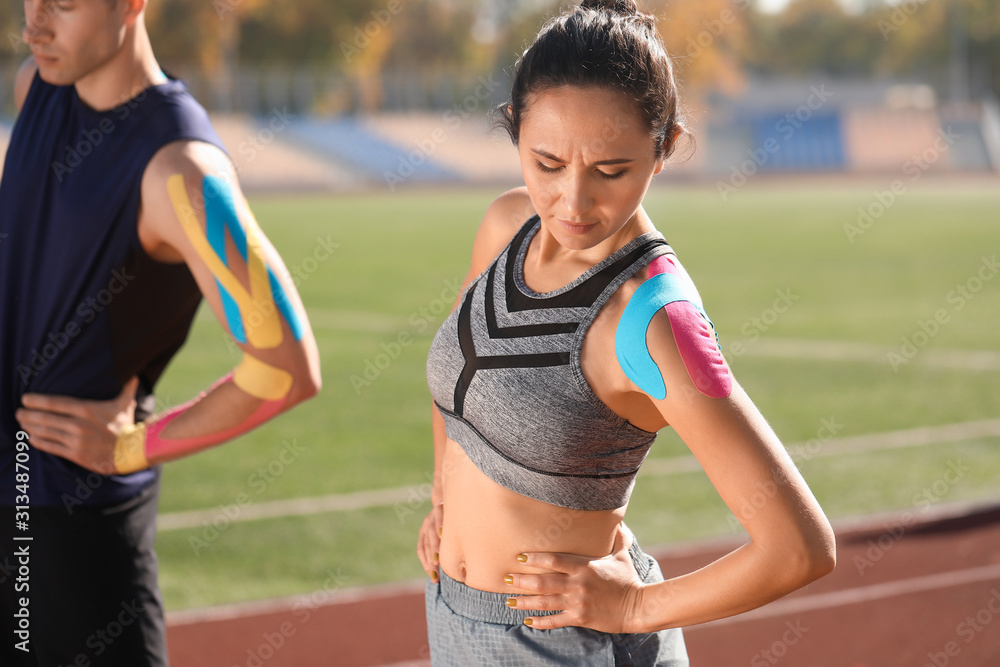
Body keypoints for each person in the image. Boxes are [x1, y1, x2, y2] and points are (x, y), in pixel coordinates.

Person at [419, 0, 836, 664]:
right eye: (547, 163)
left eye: (611, 171)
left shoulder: (655, 319)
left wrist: (635, 605)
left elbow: (800, 546)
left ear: (665, 147)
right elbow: (461, 371)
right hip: (454, 617)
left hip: (567, 644)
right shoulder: (505, 228)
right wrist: (444, 496)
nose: (574, 203)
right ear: (513, 131)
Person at [0, 1, 321, 665]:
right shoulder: (36, 86)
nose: (32, 24)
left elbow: (287, 366)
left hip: (70, 524)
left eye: (63, 2)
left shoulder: (183, 171)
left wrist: (131, 449)